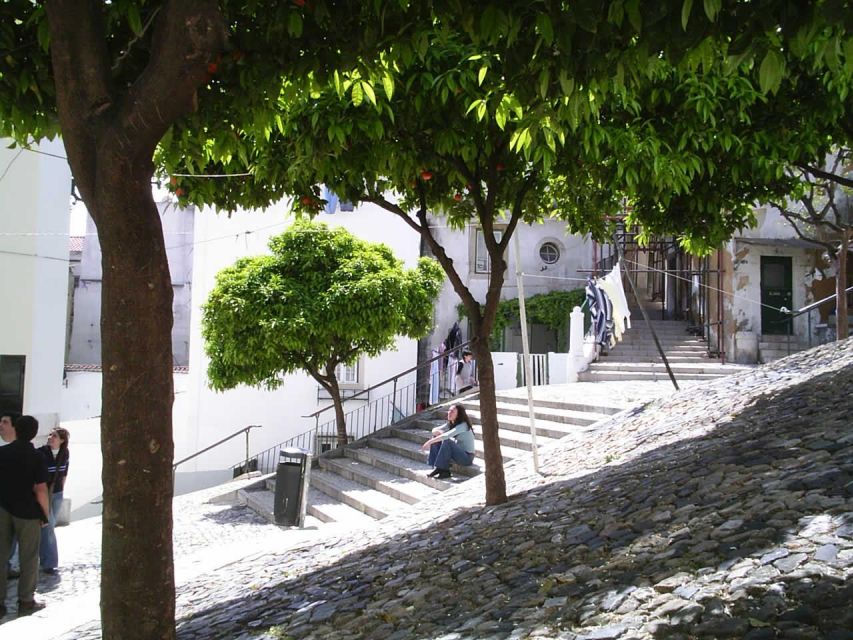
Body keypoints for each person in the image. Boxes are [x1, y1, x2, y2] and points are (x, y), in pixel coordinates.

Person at [0, 414, 49, 615]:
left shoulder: (2, 453)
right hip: (28, 512)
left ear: (16, 430)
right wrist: (45, 515)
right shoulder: (38, 457)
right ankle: (26, 601)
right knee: (29, 557)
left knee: (0, 556)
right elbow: (41, 490)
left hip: (2, 508)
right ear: (34, 433)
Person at [38, 427, 70, 575]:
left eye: (55, 436)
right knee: (48, 525)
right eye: (51, 435)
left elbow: (64, 473)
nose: (51, 437)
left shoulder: (65, 453)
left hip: (57, 494)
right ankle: (49, 562)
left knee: (49, 527)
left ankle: (45, 560)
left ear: (62, 440)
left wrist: (61, 489)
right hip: (44, 493)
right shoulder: (41, 452)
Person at [421, 403, 476, 479]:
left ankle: (442, 469)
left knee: (447, 441)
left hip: (467, 457)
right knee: (437, 437)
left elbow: (446, 436)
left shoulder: (463, 425)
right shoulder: (451, 423)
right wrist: (440, 433)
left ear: (459, 415)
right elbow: (434, 430)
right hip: (457, 454)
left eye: (452, 411)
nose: (449, 413)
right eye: (449, 411)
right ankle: (440, 469)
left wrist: (429, 442)